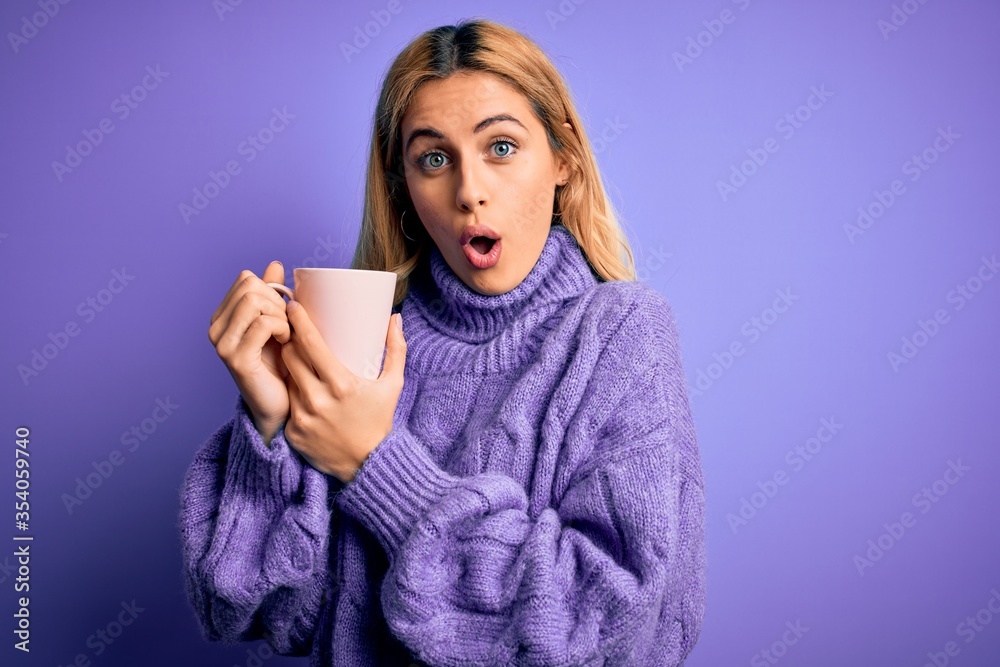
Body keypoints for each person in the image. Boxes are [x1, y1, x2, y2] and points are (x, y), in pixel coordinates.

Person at [179, 17, 706, 667]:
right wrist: (272, 427)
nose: (470, 191)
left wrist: (376, 464)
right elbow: (255, 615)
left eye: (502, 147)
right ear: (402, 187)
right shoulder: (364, 345)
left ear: (563, 158)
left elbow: (614, 632)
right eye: (433, 157)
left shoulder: (620, 334)